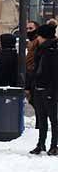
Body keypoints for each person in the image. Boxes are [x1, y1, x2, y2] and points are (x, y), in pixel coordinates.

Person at [32, 21, 58, 155]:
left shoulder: (52, 51)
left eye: (39, 36)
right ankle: (41, 144)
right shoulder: (41, 50)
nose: (37, 38)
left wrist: (52, 91)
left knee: (53, 119)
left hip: (49, 89)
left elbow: (53, 73)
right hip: (40, 88)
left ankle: (54, 145)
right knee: (42, 118)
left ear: (44, 37)